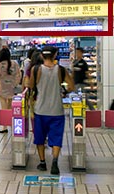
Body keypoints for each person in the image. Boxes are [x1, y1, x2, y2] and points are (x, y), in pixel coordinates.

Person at [30, 46, 74, 175]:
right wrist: (63, 91)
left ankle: (43, 162)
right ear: (55, 56)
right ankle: (55, 162)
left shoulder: (36, 69)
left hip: (40, 110)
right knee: (56, 137)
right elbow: (71, 86)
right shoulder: (61, 70)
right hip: (57, 110)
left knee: (40, 137)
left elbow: (31, 87)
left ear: (42, 56)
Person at [0, 47, 21, 133]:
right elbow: (18, 74)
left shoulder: (0, 65)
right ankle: (10, 123)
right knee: (10, 106)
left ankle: (4, 126)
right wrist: (15, 84)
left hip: (2, 87)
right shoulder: (14, 63)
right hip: (12, 87)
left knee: (4, 107)